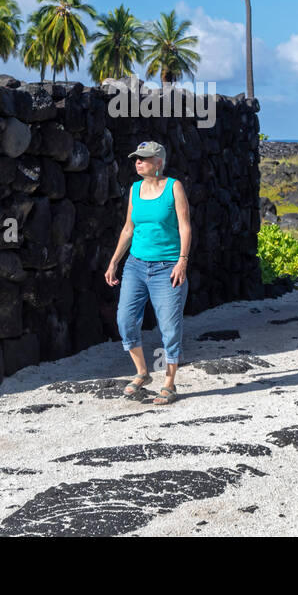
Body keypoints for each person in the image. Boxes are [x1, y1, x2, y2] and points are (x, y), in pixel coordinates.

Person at [104, 140, 191, 405]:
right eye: (136, 158)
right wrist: (114, 261)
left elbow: (185, 227)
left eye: (143, 158)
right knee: (125, 320)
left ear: (158, 162)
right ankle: (142, 372)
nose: (137, 162)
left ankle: (169, 383)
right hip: (136, 265)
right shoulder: (135, 189)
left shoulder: (174, 187)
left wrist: (182, 261)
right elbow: (129, 228)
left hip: (167, 268)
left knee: (169, 327)